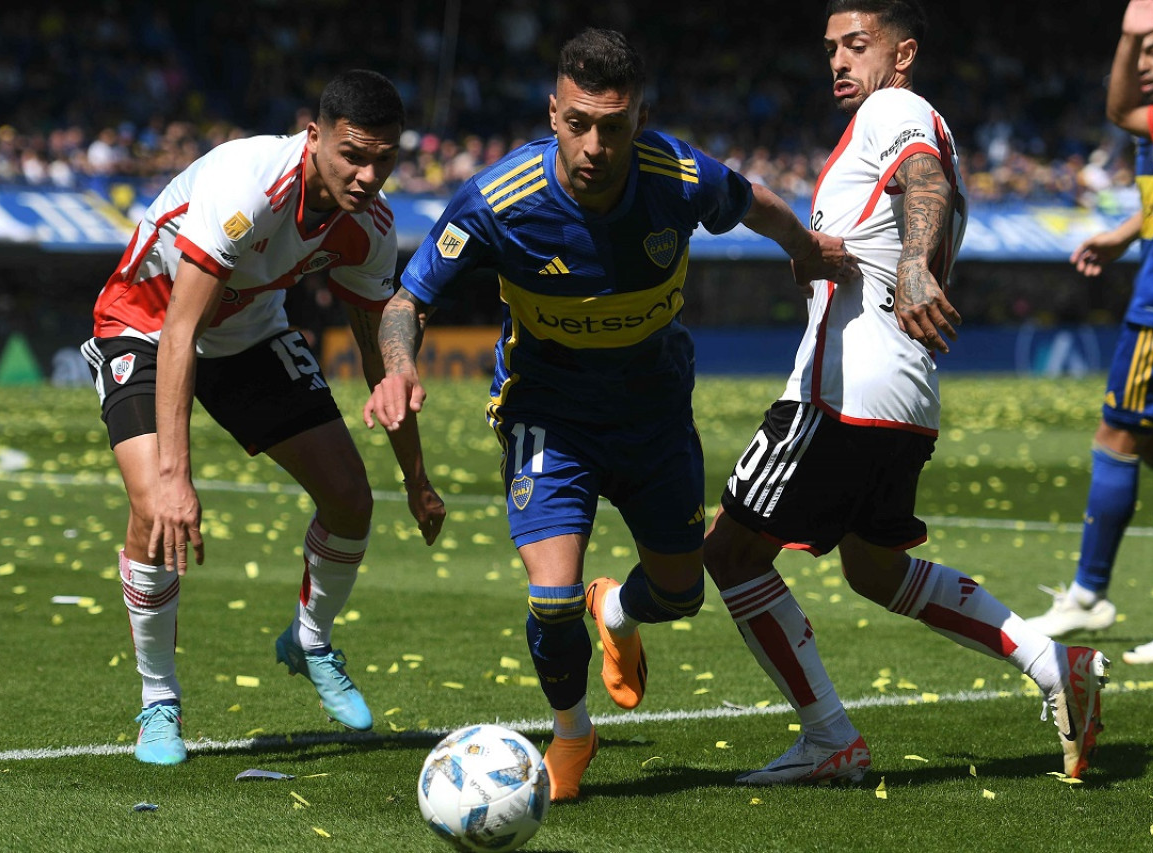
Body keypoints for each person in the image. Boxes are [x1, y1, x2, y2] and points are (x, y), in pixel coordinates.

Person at [363, 28, 857, 801]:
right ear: (553, 112)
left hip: (655, 415)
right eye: (578, 123)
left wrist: (803, 246)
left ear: (641, 117)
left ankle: (617, 606)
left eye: (615, 126)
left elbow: (750, 200)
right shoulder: (498, 200)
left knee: (681, 593)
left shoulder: (677, 174)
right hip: (548, 414)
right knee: (549, 596)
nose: (595, 144)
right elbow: (409, 298)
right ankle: (571, 730)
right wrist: (398, 366)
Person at [702, 0, 1109, 786]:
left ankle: (828, 737)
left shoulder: (899, 108)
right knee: (874, 569)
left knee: (728, 551)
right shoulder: (909, 123)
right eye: (830, 49)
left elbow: (924, 180)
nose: (839, 62)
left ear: (903, 52)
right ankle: (1051, 661)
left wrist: (918, 265)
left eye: (858, 45)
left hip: (842, 391)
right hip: (906, 398)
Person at [82, 70, 447, 765]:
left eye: (386, 158)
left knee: (350, 500)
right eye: (353, 154)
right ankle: (158, 699)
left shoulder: (368, 227)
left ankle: (309, 639)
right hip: (147, 328)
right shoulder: (247, 187)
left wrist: (417, 478)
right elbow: (180, 330)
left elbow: (381, 359)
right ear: (315, 137)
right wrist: (176, 475)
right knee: (155, 507)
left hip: (247, 333)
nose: (370, 175)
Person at [1027, 1, 1153, 665]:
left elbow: (1121, 107)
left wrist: (1127, 37)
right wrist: (1126, 232)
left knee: (1118, 435)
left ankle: (1091, 591)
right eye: (1142, 51)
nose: (1144, 64)